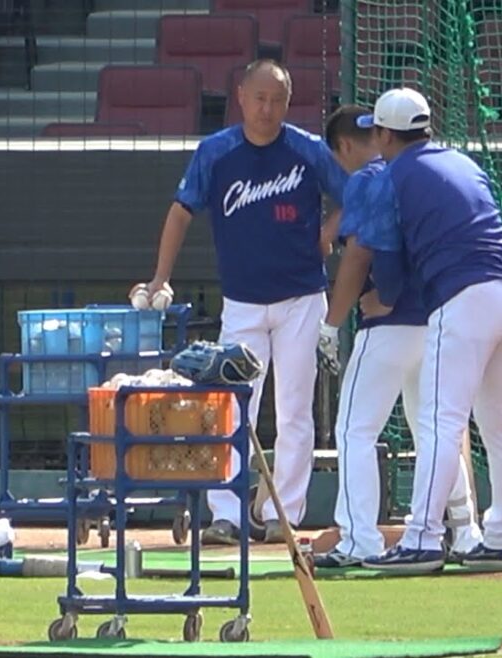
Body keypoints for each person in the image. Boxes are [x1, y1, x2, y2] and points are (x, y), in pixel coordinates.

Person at [135, 59, 347, 544]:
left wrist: (327, 233)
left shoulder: (308, 149)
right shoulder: (216, 152)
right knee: (233, 408)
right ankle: (226, 513)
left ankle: (282, 515)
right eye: (259, 98)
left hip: (300, 297)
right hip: (243, 301)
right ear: (240, 97)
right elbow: (180, 211)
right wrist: (160, 276)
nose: (267, 109)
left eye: (277, 100)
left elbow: (354, 195)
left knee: (295, 408)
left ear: (288, 103)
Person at [350, 88, 502, 572]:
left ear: (386, 133)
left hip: (466, 294)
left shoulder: (392, 176)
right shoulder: (463, 162)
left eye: (378, 131)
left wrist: (384, 298)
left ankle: (423, 538)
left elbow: (385, 257)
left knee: (440, 419)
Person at [312, 104, 482, 568]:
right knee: (435, 430)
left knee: (354, 429)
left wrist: (331, 321)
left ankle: (358, 539)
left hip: (388, 326)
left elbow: (358, 257)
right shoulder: (433, 170)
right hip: (435, 319)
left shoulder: (369, 179)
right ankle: (466, 531)